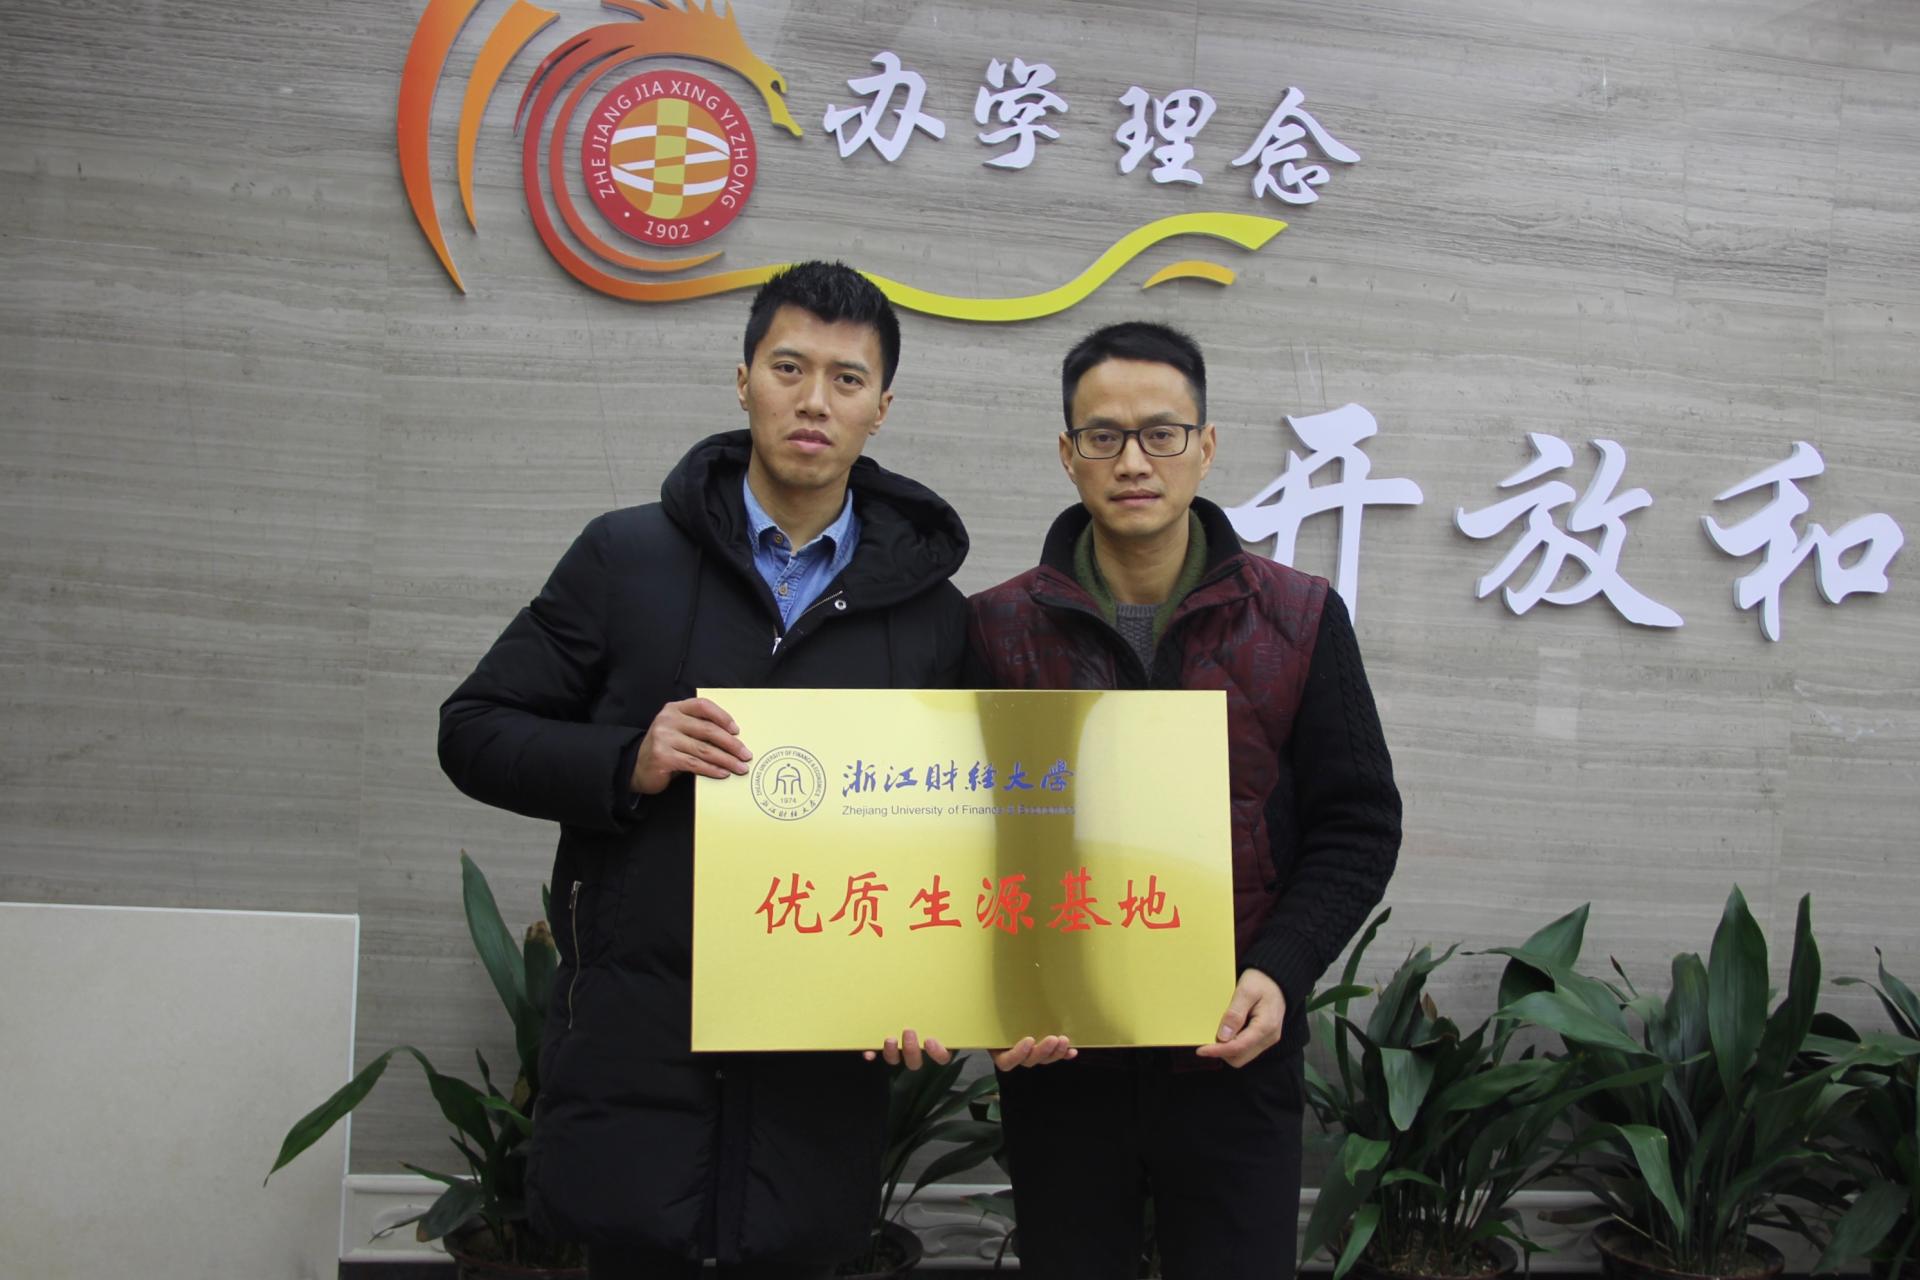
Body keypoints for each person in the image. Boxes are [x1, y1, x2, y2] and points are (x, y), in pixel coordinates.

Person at [439, 262, 969, 1279]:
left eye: (847, 379)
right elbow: (473, 729)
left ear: (882, 407)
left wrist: (925, 985)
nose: (814, 401)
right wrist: (626, 758)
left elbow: (953, 837)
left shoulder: (931, 616)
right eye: (788, 367)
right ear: (743, 381)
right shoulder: (626, 557)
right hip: (636, 1061)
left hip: (818, 1086)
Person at [966, 321, 1402, 1279]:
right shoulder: (994, 629)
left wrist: (1281, 970)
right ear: (1067, 454)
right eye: (1103, 436)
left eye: (1161, 433)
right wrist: (992, 995)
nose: (1134, 461)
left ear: (1205, 446)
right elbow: (958, 837)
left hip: (1232, 1054)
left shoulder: (1299, 617)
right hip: (1062, 1063)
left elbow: (1359, 823)